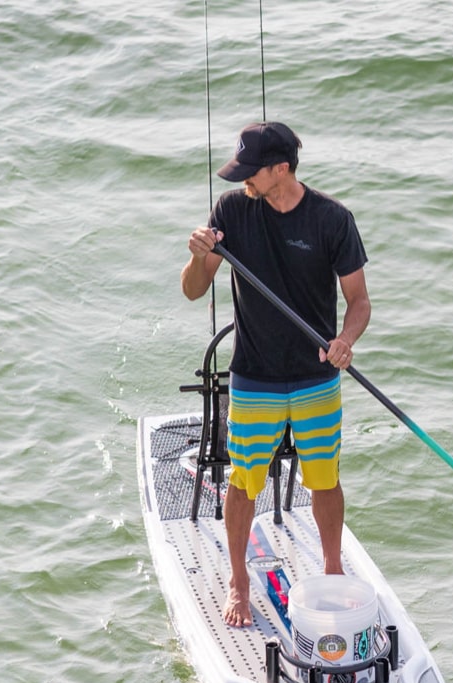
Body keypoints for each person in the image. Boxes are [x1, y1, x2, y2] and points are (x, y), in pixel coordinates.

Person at [180, 121, 371, 628]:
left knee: (324, 481)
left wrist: (345, 341)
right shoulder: (233, 211)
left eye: (251, 171)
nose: (241, 179)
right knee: (244, 483)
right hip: (255, 376)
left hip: (315, 377)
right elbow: (193, 290)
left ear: (280, 169)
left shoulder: (332, 219)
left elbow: (359, 301)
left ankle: (332, 569)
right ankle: (238, 580)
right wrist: (200, 256)